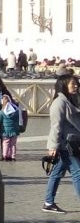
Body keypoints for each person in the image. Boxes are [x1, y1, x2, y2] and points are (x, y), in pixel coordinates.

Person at [43, 74, 80, 214]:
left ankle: (48, 202)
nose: (76, 85)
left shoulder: (71, 100)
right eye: (73, 84)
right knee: (78, 172)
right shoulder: (59, 102)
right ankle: (48, 202)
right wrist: (53, 146)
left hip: (73, 142)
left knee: (57, 173)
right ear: (64, 85)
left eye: (76, 83)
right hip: (66, 144)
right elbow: (56, 126)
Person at [0, 93, 22, 162]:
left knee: (5, 143)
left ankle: (5, 155)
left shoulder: (2, 112)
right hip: (14, 131)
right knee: (13, 144)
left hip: (5, 131)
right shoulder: (16, 111)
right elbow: (18, 120)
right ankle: (13, 156)